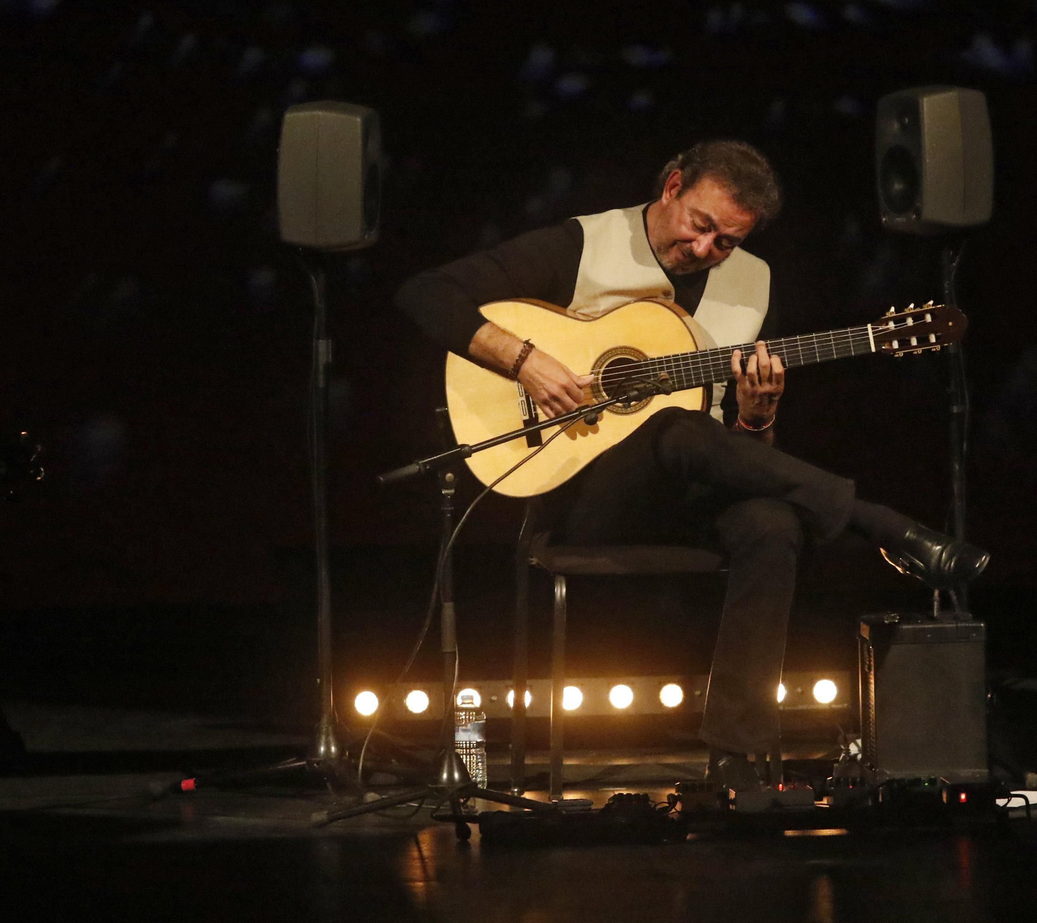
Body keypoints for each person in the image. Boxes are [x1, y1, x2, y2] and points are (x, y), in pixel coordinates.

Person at [395, 140, 988, 791]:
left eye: (726, 241)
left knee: (771, 523)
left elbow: (741, 458)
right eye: (701, 226)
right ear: (672, 186)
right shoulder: (585, 242)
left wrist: (757, 419)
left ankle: (736, 759)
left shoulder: (753, 284)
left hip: (685, 483)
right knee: (673, 424)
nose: (707, 249)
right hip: (582, 498)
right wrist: (525, 360)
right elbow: (428, 293)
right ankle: (881, 524)